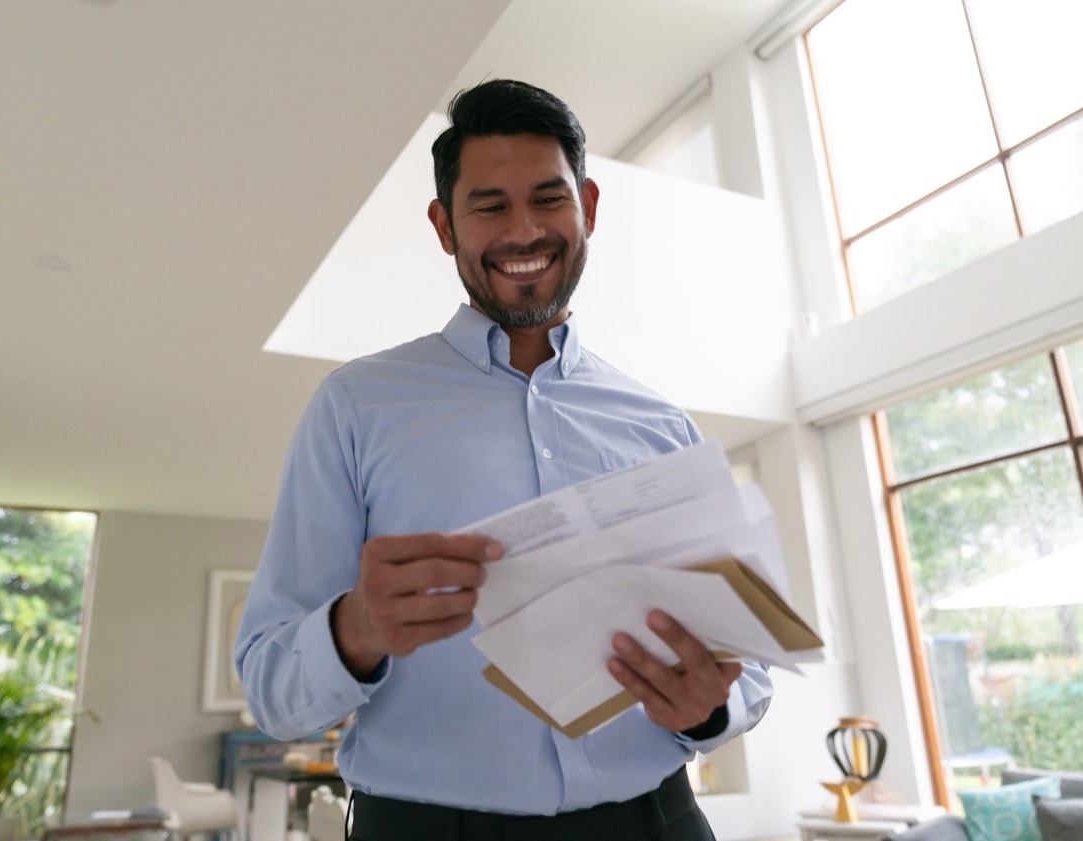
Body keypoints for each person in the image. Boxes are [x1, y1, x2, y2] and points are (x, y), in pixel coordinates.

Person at [235, 79, 774, 841]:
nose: (523, 231)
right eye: (489, 205)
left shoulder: (664, 426)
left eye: (548, 200)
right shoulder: (354, 407)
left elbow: (746, 662)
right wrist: (355, 627)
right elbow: (272, 689)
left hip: (657, 821)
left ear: (587, 207)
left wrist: (713, 705)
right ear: (444, 226)